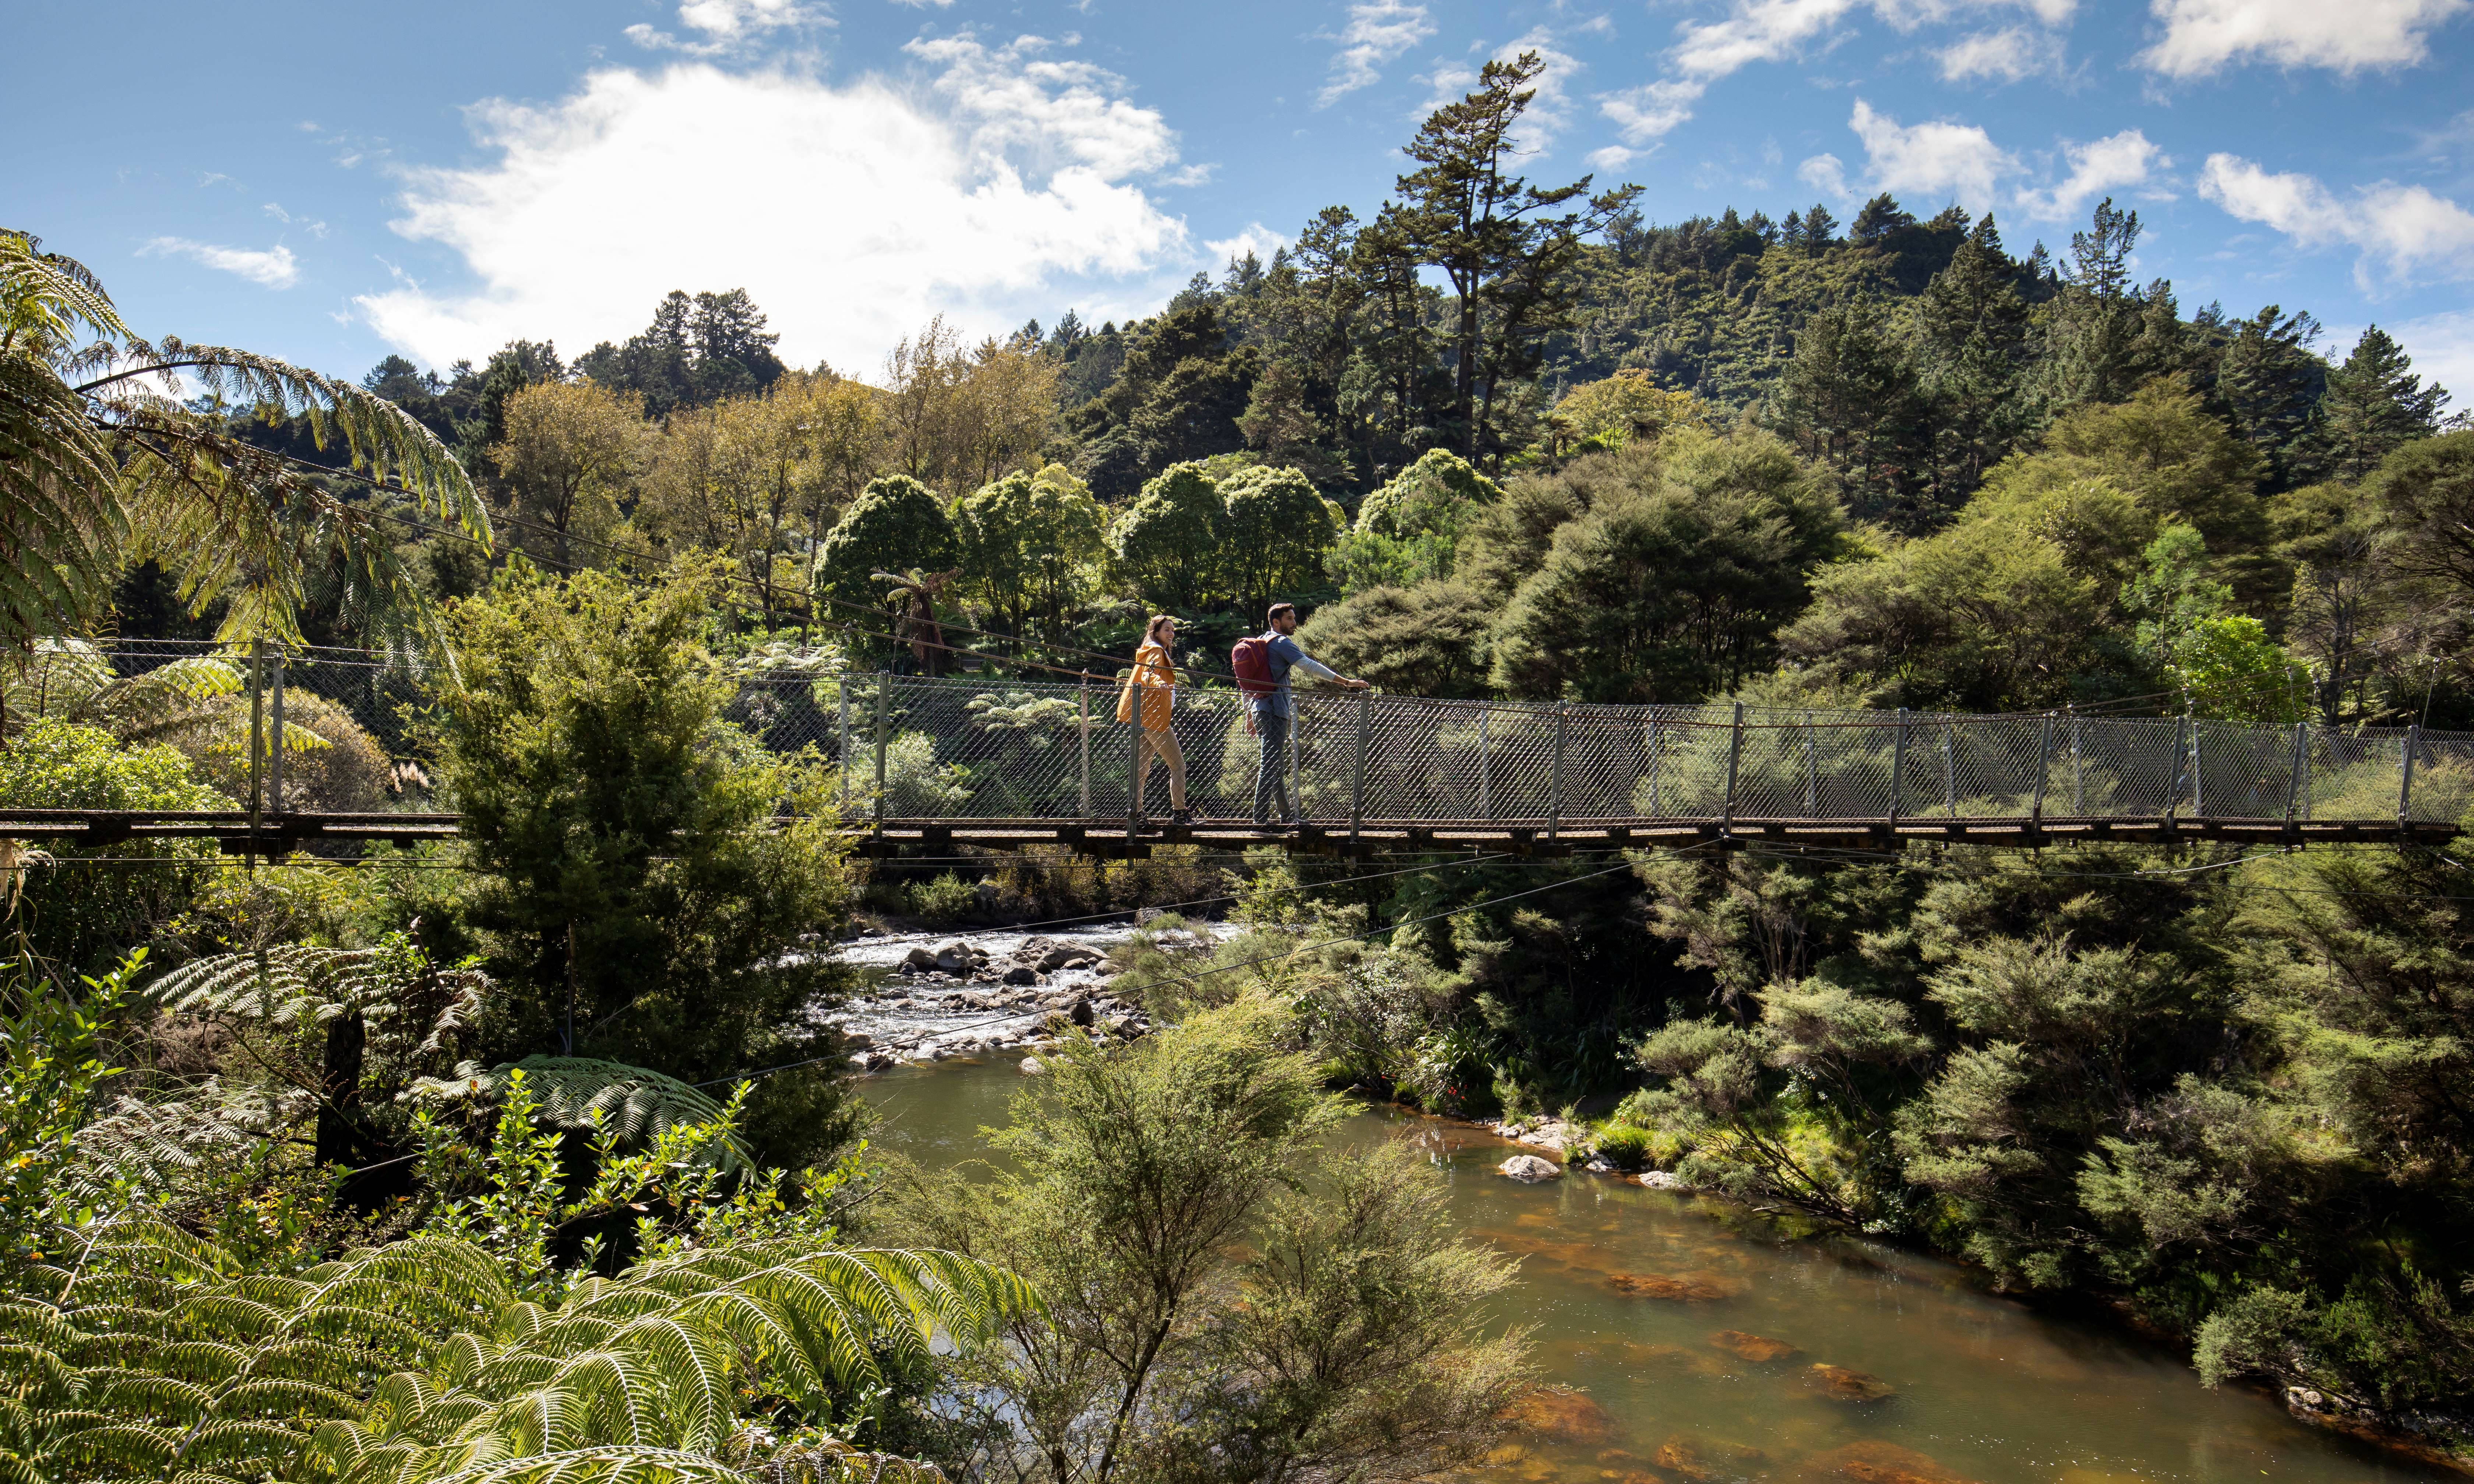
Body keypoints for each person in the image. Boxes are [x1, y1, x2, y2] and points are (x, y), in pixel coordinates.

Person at [1248, 601, 1368, 825]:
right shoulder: (1281, 642)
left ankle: (1286, 816)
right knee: (1270, 762)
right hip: (1275, 709)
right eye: (1290, 619)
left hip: (1260, 709)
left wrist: (1249, 715)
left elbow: (1249, 682)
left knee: (1274, 762)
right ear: (1276, 622)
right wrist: (1346, 682)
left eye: (1294, 618)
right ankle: (1260, 820)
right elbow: (1309, 665)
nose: (1295, 623)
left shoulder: (1262, 641)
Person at [1117, 614, 1190, 824]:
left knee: (1140, 769)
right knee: (1178, 766)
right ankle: (1180, 813)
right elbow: (1150, 673)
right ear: (1156, 632)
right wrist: (1159, 682)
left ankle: (1137, 815)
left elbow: (1147, 671)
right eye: (1167, 629)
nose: (1171, 633)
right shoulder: (1156, 651)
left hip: (1141, 717)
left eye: (1173, 630)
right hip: (1154, 719)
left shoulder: (1150, 650)